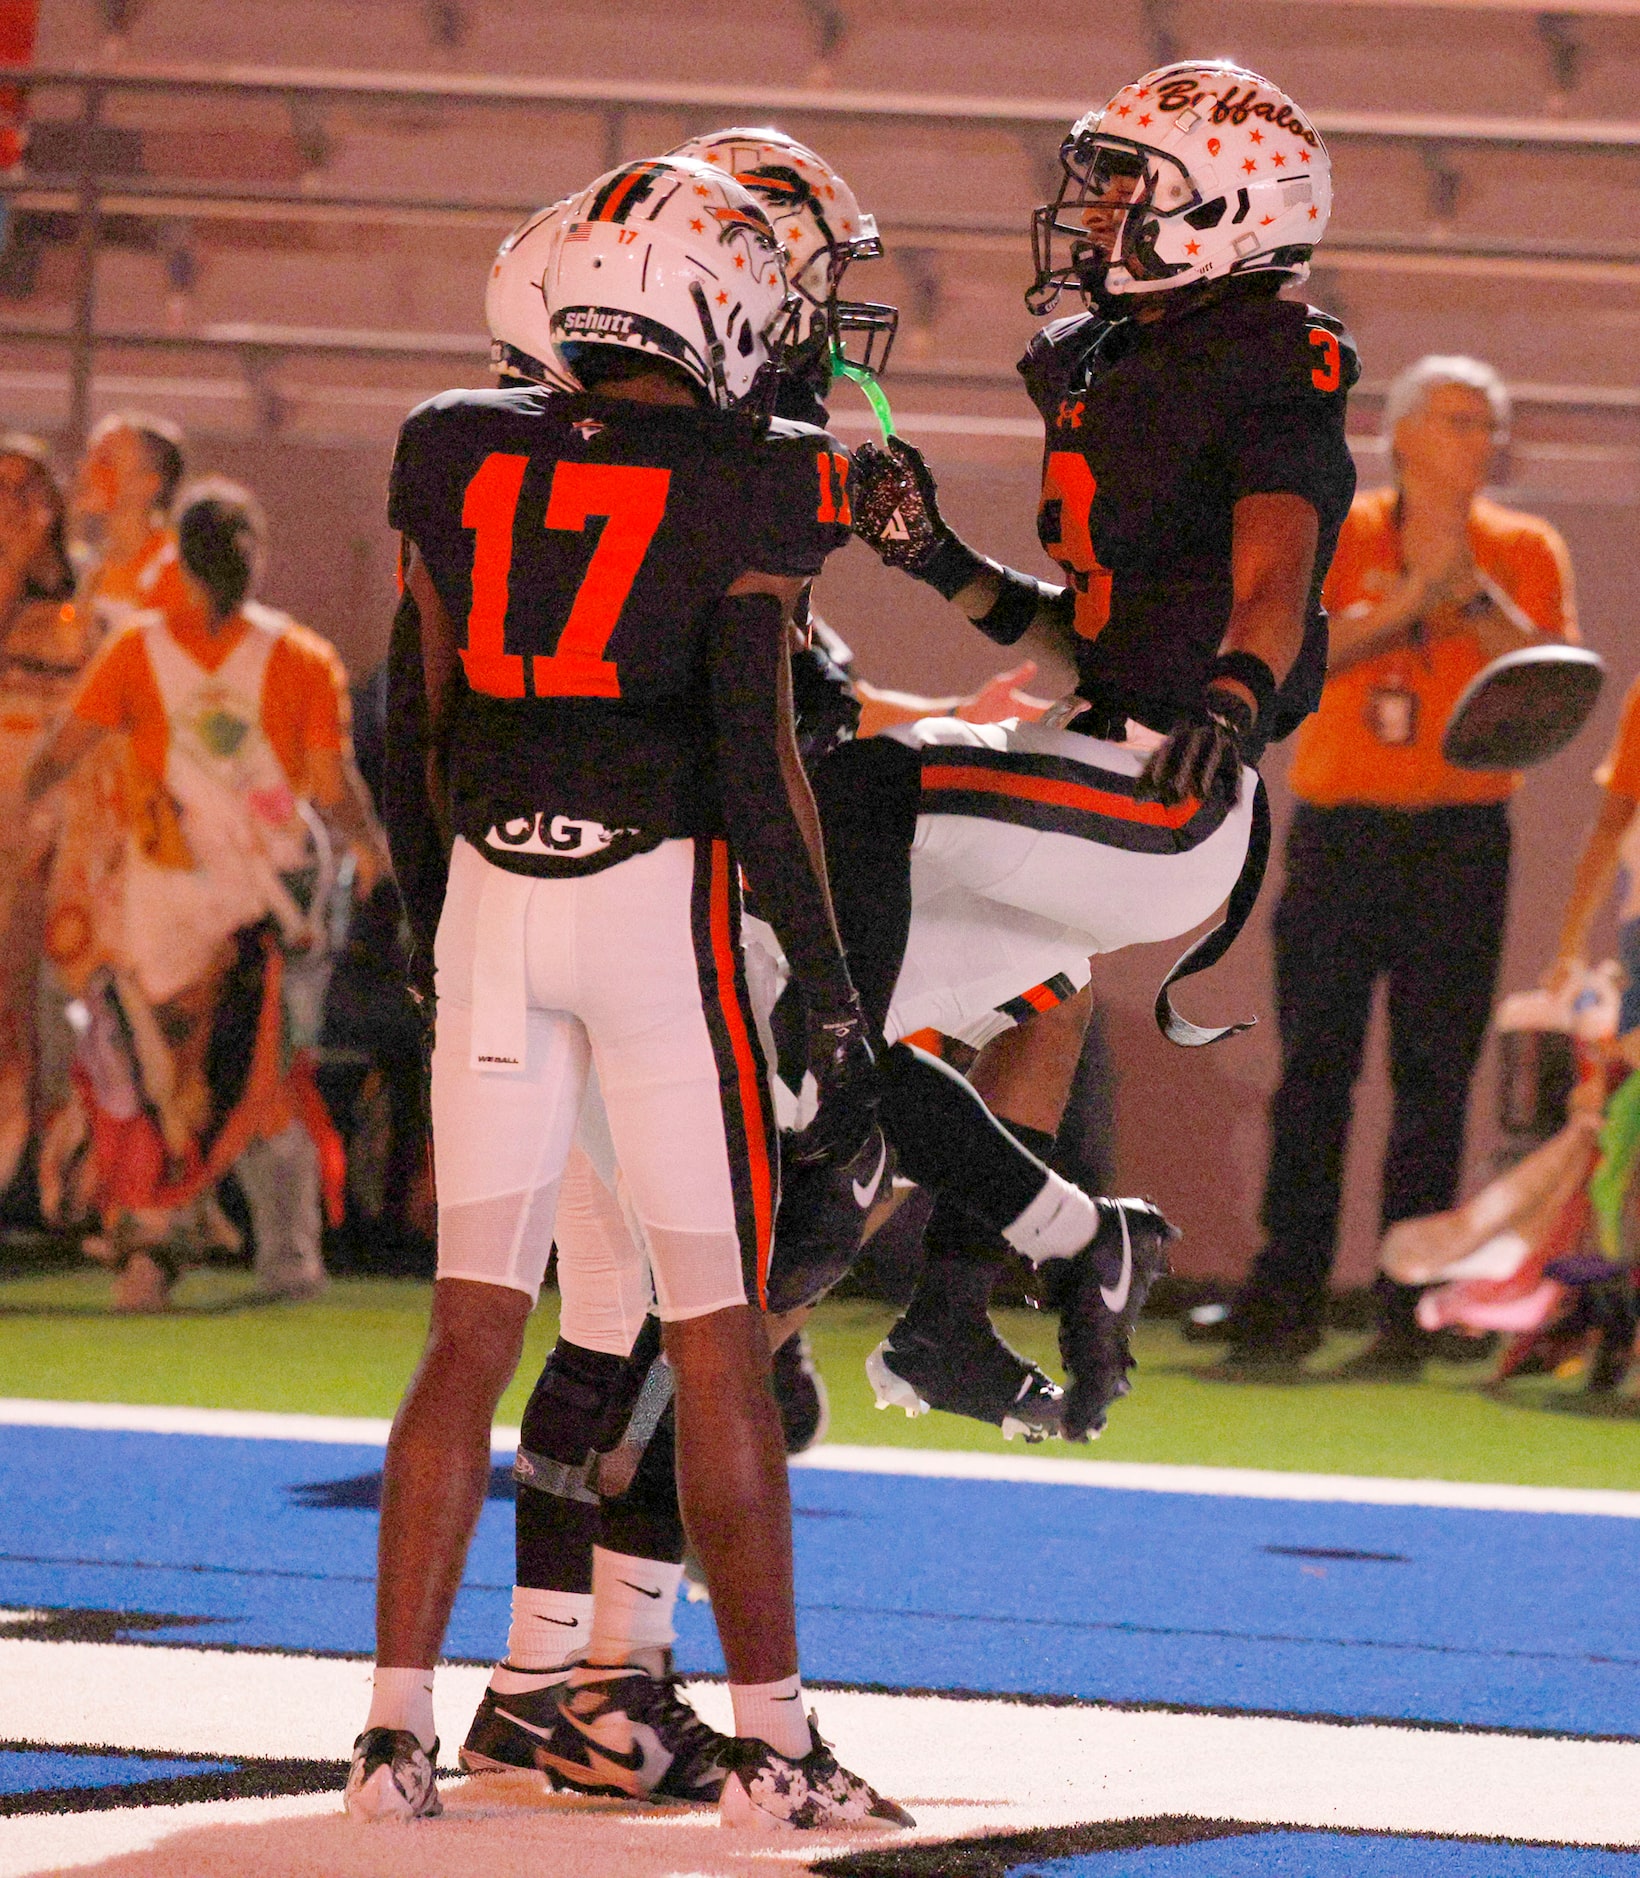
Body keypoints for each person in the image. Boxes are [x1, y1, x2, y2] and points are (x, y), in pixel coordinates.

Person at [352, 154, 910, 1831]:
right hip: (657, 911)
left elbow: (422, 717)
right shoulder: (760, 471)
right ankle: (780, 1750)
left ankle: (391, 1738)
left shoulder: (454, 440)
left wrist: (437, 909)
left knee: (469, 1330)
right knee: (722, 1344)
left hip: (497, 911)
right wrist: (825, 982)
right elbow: (756, 746)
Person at [843, 61, 1359, 1418]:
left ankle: (1073, 1234)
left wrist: (1238, 693)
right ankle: (946, 1314)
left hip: (1167, 794)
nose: (1098, 207)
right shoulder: (1118, 362)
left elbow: (1277, 576)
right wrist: (939, 559)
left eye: (1134, 183)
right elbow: (1092, 636)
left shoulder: (1268, 363)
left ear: (1228, 211)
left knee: (867, 787)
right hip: (1096, 760)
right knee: (851, 1035)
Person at [1216, 355, 1580, 1377]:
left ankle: (1404, 1305)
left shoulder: (1523, 548)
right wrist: (1405, 605)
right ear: (1406, 432)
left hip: (1460, 845)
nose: (1479, 439)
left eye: (1489, 424)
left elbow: (1553, 690)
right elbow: (1287, 663)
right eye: (1460, 420)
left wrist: (1470, 603)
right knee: (1313, 1071)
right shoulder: (1341, 534)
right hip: (1341, 836)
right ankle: (1281, 1296)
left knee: (1433, 1076)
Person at [26, 480, 384, 1306]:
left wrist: (364, 846)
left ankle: (239, 1256)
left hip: (231, 904)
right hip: (210, 901)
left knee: (214, 1073)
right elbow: (332, 786)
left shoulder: (261, 656)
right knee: (197, 1074)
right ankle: (203, 1252)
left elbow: (330, 785)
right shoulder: (243, 654)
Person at [0, 436, 81, 1197]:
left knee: (19, 1016)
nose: (13, 505)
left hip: (33, 846)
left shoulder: (74, 616)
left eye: (29, 489)